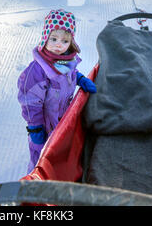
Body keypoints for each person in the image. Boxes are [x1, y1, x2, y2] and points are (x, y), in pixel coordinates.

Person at [18, 9, 96, 173]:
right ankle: (35, 187)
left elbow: (70, 74)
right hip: (44, 126)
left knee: (59, 155)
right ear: (45, 37)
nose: (58, 45)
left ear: (71, 43)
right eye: (53, 39)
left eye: (64, 41)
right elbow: (30, 102)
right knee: (40, 159)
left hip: (61, 120)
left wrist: (80, 79)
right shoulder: (37, 72)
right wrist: (35, 128)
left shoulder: (65, 62)